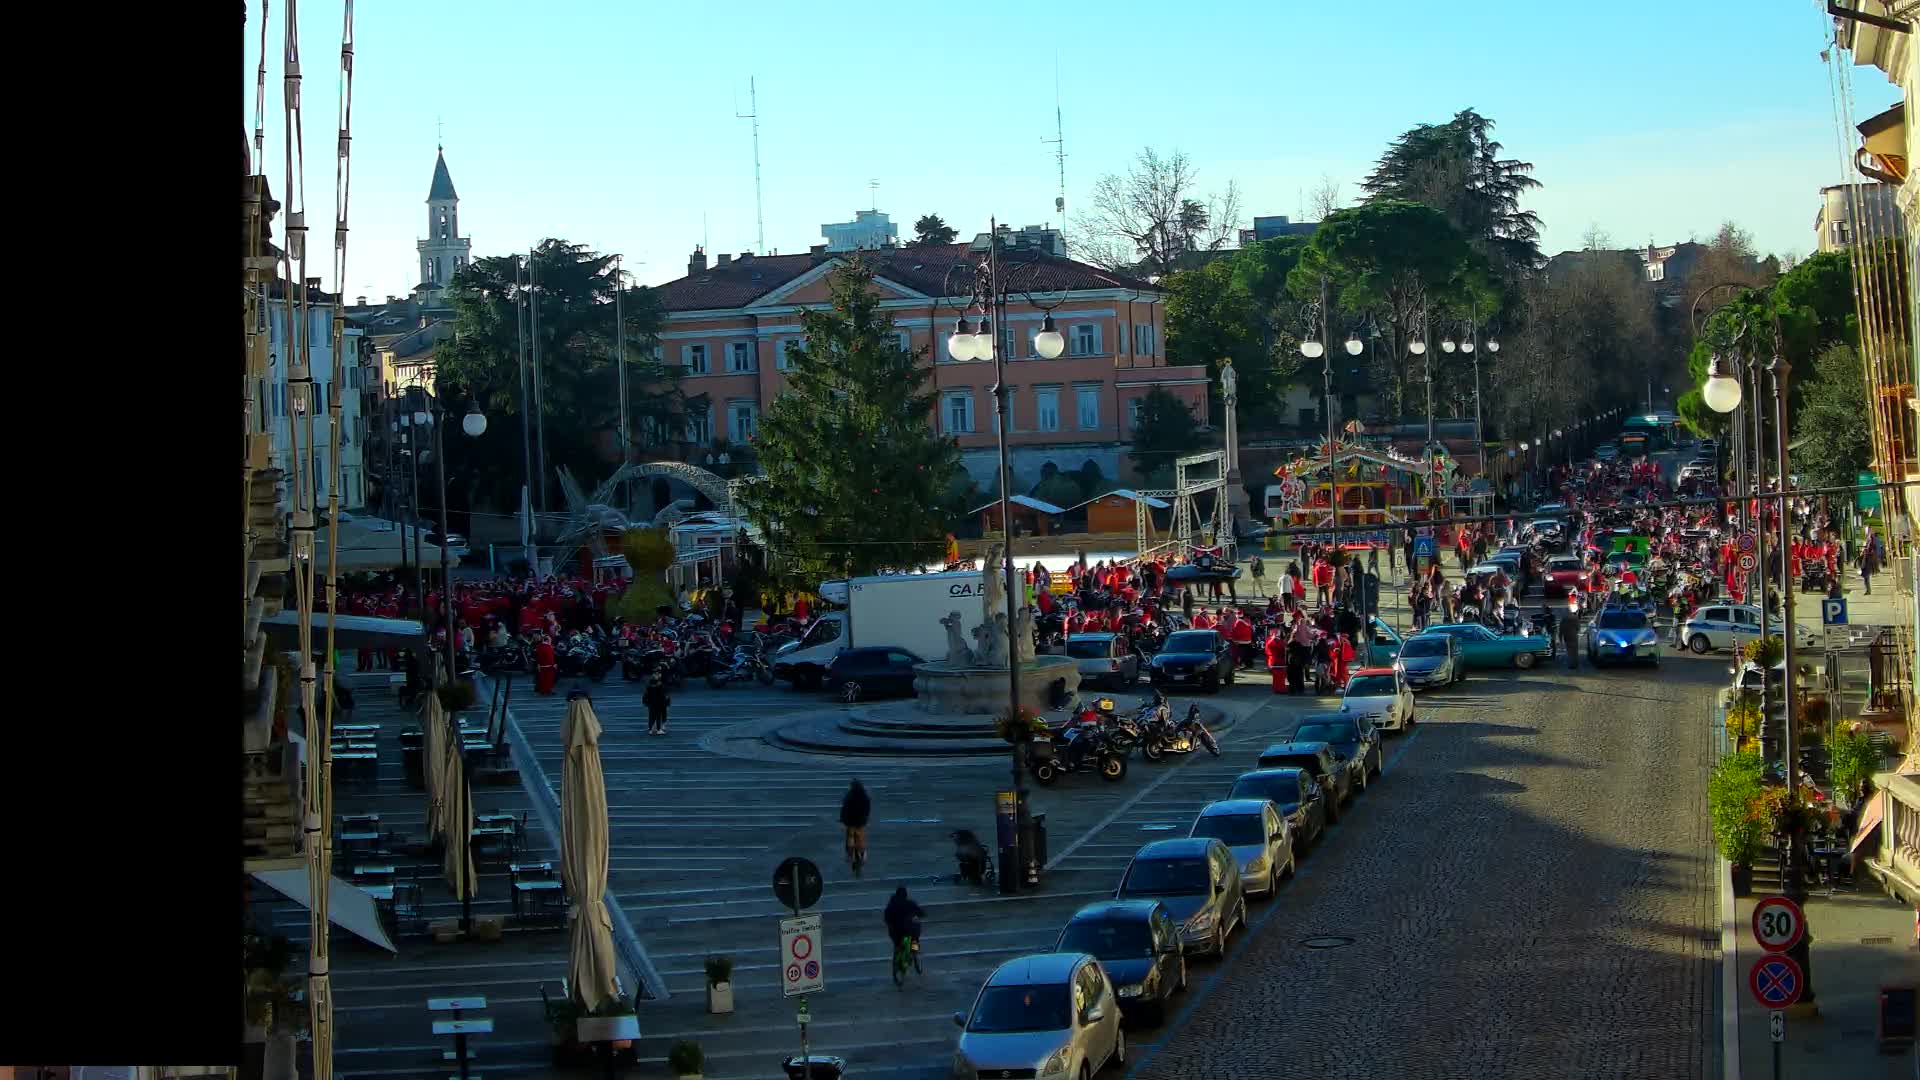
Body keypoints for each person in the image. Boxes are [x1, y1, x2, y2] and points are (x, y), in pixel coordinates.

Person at [883, 885, 926, 982]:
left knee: (897, 945)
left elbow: (886, 918)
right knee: (915, 940)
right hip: (908, 931)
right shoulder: (909, 904)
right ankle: (914, 953)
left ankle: (897, 963)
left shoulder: (891, 905)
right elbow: (920, 913)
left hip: (895, 933)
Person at [840, 779, 872, 875]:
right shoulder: (865, 796)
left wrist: (843, 818)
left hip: (850, 820)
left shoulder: (849, 795)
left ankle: (850, 854)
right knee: (861, 836)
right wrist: (866, 817)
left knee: (850, 836)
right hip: (861, 820)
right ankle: (862, 853)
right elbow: (867, 808)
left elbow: (844, 808)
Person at [643, 666, 671, 735]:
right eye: (655, 673)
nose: (657, 675)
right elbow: (662, 694)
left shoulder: (653, 684)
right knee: (656, 715)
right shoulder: (656, 685)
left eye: (658, 673)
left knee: (654, 715)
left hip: (655, 702)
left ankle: (653, 728)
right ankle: (657, 729)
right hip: (657, 702)